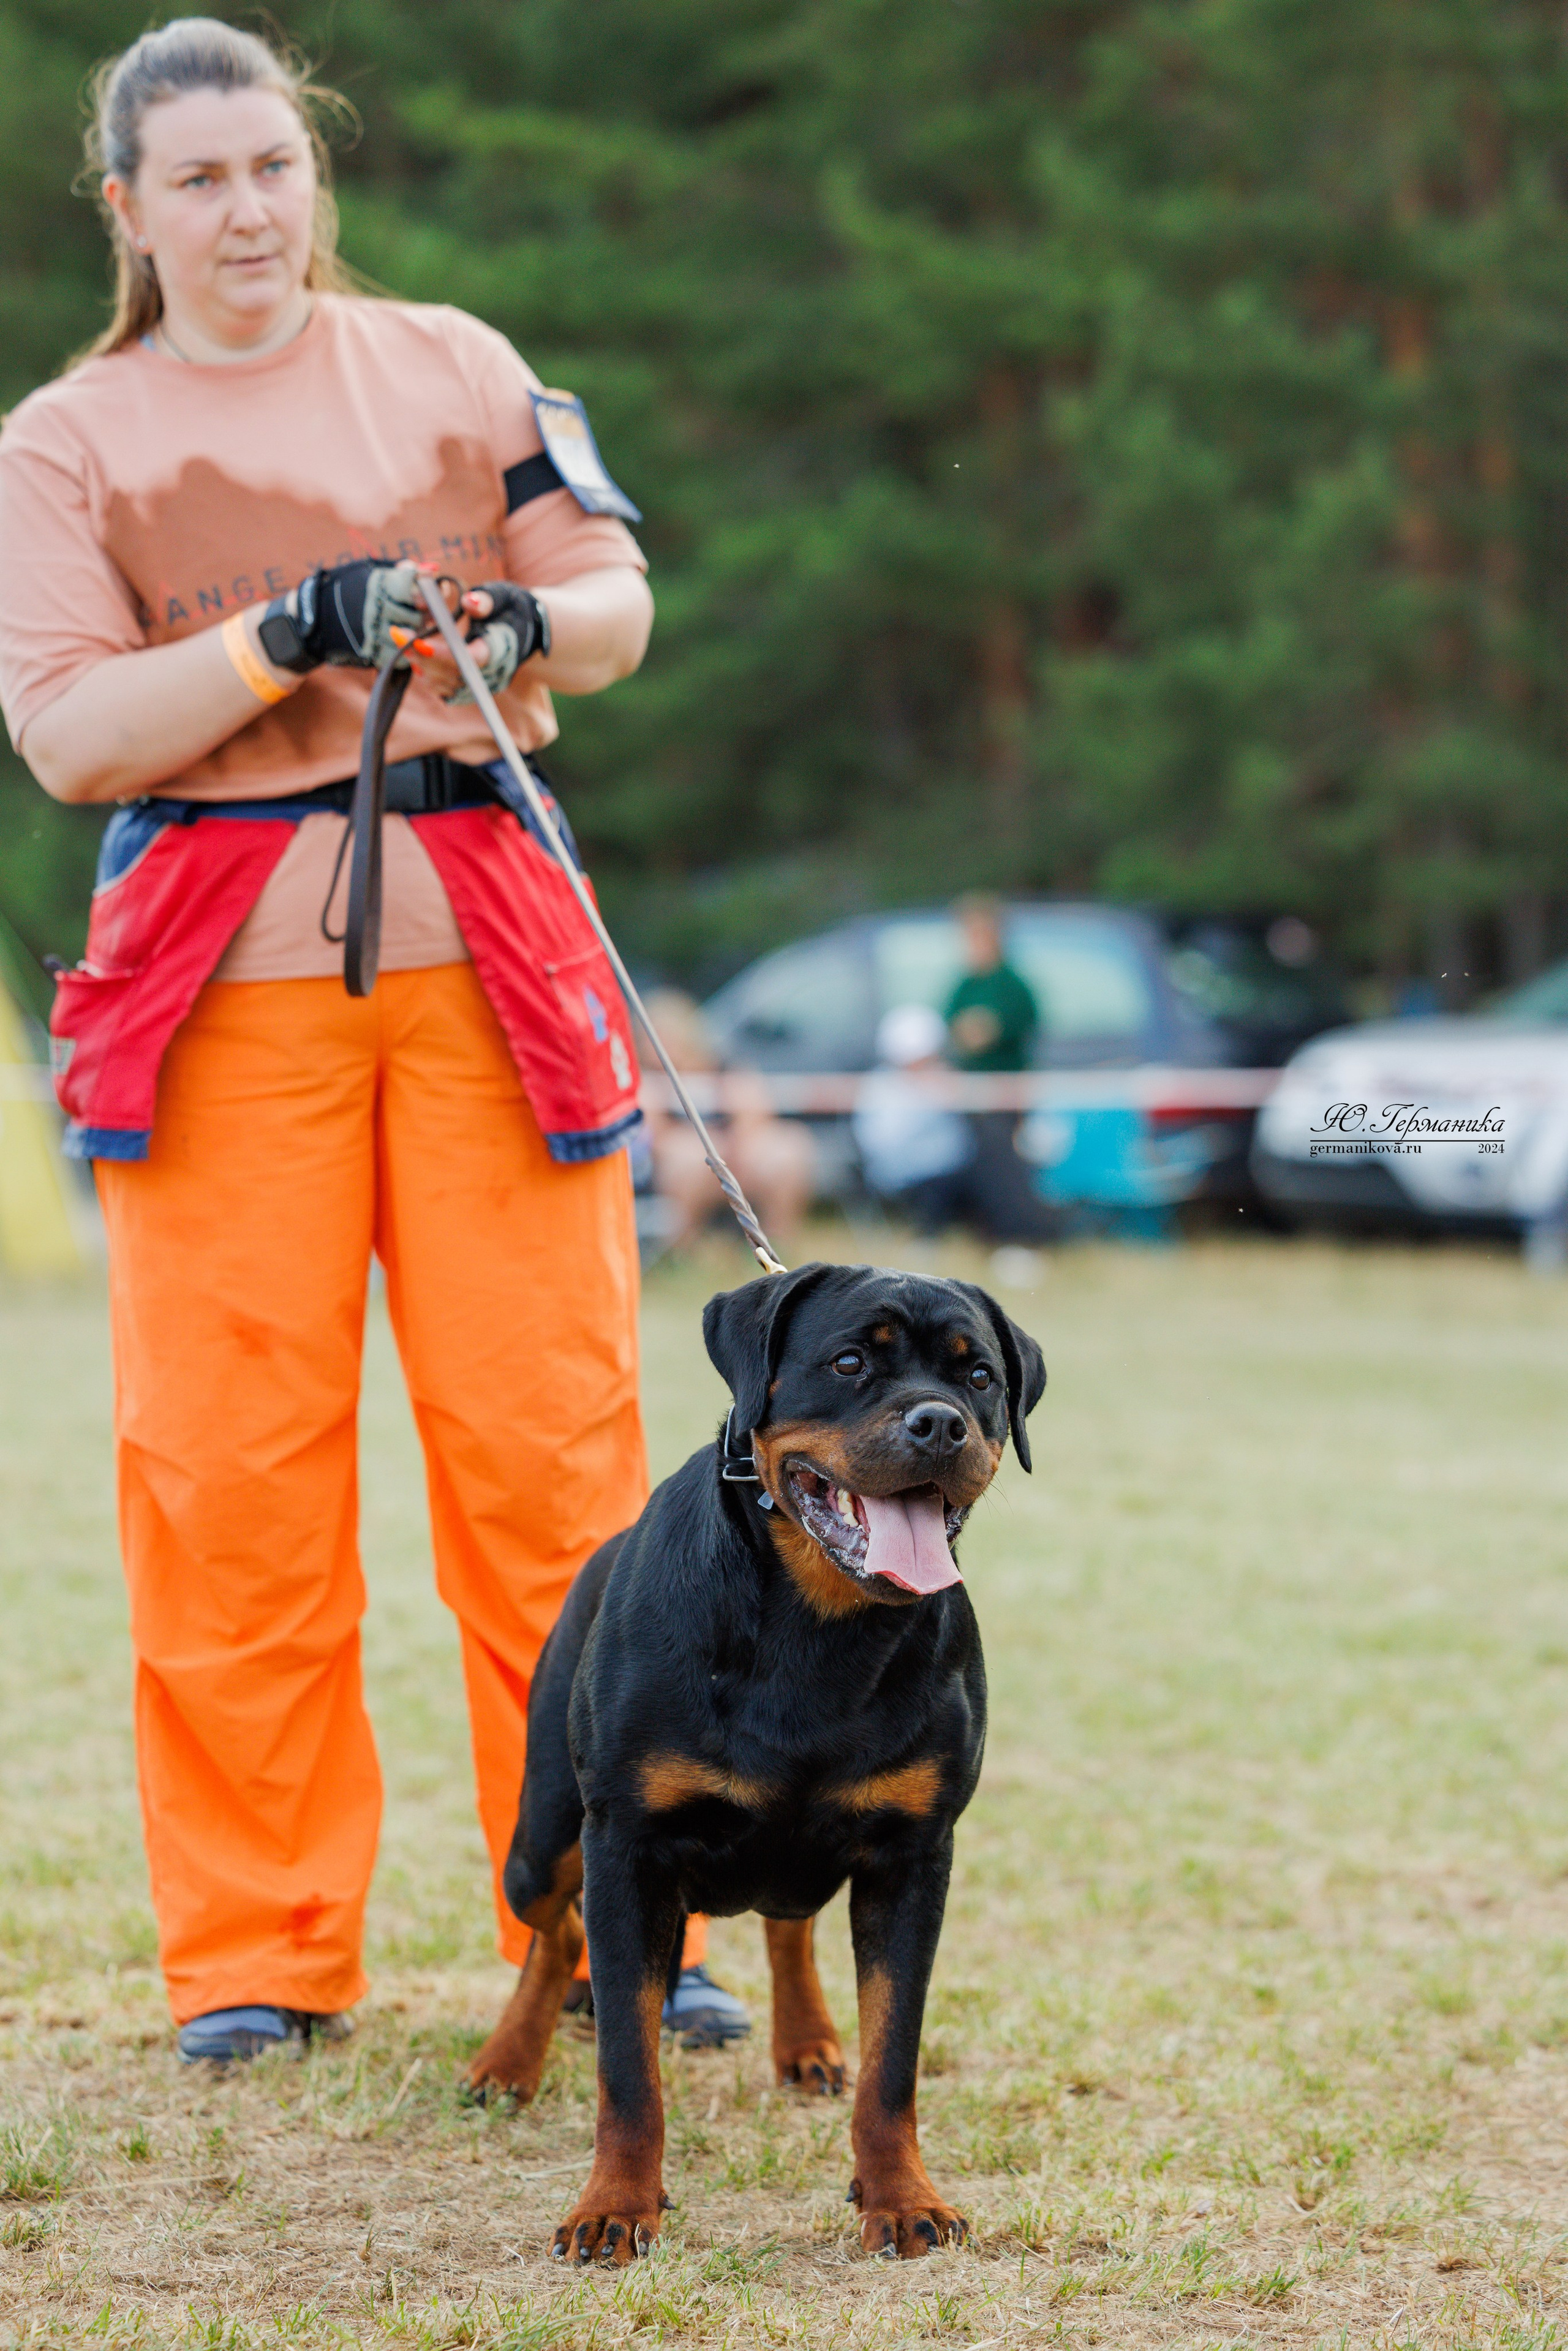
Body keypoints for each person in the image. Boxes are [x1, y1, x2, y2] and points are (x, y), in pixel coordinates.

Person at [0, 19, 748, 2062]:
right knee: (228, 1475)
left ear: (313, 173)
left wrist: (519, 627)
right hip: (219, 991)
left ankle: (625, 1914)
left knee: (555, 1463)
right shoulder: (65, 441)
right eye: (198, 180)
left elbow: (616, 601)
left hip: (495, 966)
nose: (246, 211)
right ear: (129, 209)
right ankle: (257, 1946)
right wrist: (284, 635)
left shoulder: (456, 361)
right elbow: (67, 731)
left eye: (274, 167)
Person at [638, 989, 816, 1255]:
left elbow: (756, 1114)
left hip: (735, 1156)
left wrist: (734, 1148)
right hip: (687, 1165)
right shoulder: (648, 1082)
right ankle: (684, 1249)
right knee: (686, 1157)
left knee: (788, 1149)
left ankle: (777, 1243)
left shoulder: (725, 1068)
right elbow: (655, 1137)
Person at [852, 1003, 976, 1231]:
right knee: (937, 1185)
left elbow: (961, 1138)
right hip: (906, 1173)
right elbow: (881, 1142)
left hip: (953, 1167)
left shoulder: (942, 1080)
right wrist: (928, 1100)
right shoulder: (880, 1086)